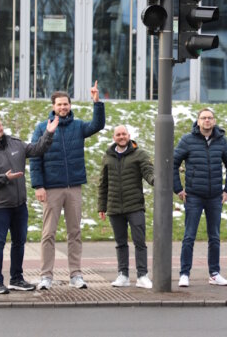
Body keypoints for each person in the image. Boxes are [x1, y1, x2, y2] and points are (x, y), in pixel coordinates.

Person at [30, 82, 105, 290]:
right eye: (59, 104)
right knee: (48, 234)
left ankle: (76, 275)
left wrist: (96, 102)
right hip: (51, 188)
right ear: (53, 106)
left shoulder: (78, 126)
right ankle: (46, 276)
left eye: (66, 104)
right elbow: (35, 157)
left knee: (75, 232)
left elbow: (97, 125)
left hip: (74, 187)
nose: (63, 107)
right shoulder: (42, 128)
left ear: (70, 106)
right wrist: (38, 185)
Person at [0, 114, 59, 294]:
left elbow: (37, 149)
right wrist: (4, 178)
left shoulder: (15, 144)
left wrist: (49, 133)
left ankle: (17, 279)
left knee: (19, 243)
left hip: (19, 205)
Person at [173, 107, 227, 287]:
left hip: (215, 197)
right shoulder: (187, 140)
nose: (207, 121)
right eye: (203, 118)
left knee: (214, 237)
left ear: (214, 121)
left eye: (210, 118)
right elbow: (173, 163)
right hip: (193, 196)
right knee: (189, 236)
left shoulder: (221, 141)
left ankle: (214, 274)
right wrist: (178, 189)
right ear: (198, 121)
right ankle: (184, 273)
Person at [98, 125, 155, 289]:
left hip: (135, 206)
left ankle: (142, 275)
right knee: (120, 243)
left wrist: (154, 180)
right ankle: (123, 275)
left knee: (140, 242)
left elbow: (148, 171)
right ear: (114, 137)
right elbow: (103, 183)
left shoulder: (139, 154)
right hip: (114, 207)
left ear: (129, 136)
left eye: (124, 134)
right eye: (118, 134)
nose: (121, 136)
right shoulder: (108, 156)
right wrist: (102, 206)